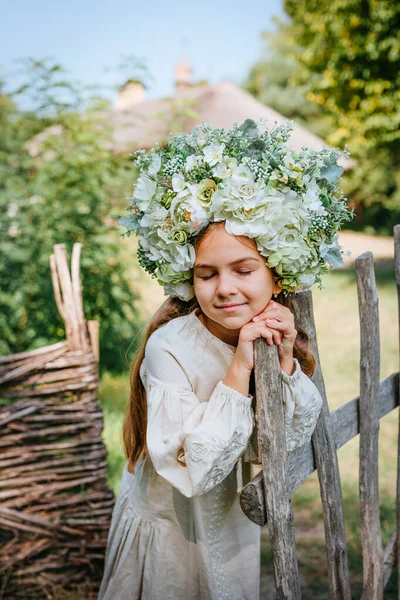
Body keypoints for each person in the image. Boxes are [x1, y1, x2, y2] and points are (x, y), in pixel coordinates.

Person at [98, 120, 352, 600]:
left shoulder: (271, 334)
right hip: (171, 523)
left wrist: (282, 365)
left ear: (278, 276)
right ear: (187, 278)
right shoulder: (169, 346)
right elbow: (196, 470)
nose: (225, 288)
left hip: (231, 524)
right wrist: (240, 367)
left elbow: (284, 442)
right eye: (206, 274)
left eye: (244, 269)